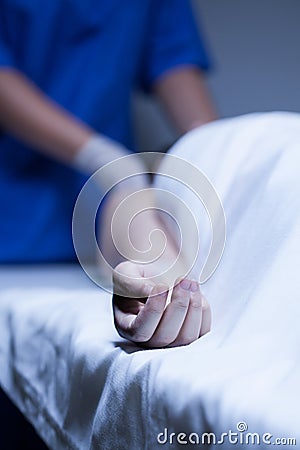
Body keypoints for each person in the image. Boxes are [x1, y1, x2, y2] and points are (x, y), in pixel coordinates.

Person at [0, 0, 216, 348]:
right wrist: (105, 159)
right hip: (13, 215)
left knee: (139, 223)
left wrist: (218, 158)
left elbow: (174, 61)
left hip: (109, 202)